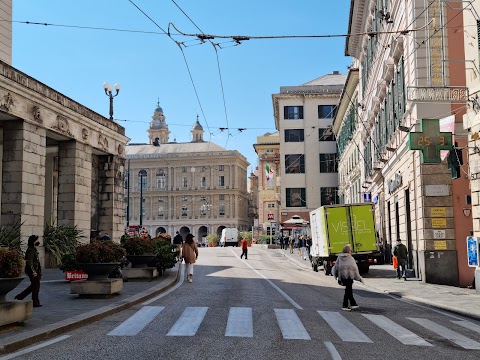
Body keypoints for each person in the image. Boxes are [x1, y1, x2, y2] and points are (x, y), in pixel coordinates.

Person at [331, 244, 364, 311]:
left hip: (342, 276)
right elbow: (355, 268)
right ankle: (345, 305)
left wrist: (335, 275)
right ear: (349, 251)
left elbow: (336, 267)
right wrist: (359, 278)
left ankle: (353, 304)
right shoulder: (350, 258)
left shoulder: (339, 257)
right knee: (348, 291)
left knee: (348, 290)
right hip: (349, 276)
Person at [15, 235, 42, 307]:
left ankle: (20, 296)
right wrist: (33, 272)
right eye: (36, 240)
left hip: (36, 270)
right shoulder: (30, 250)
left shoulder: (33, 249)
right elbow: (29, 262)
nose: (38, 241)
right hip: (32, 271)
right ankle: (35, 302)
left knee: (34, 286)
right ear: (33, 241)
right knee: (36, 286)